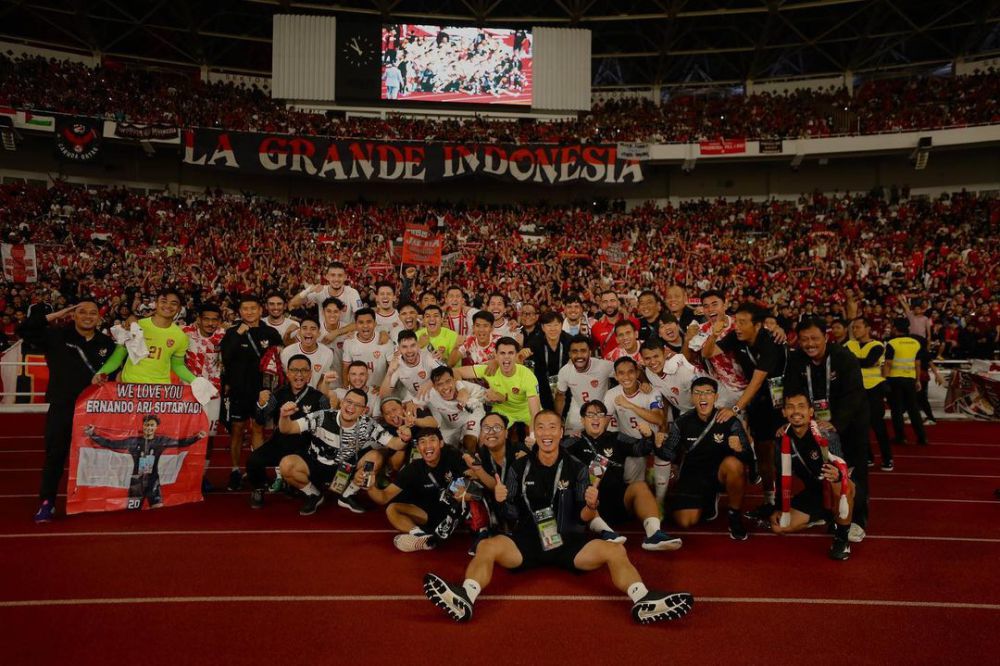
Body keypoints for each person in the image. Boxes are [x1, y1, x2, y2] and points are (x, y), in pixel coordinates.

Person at [422, 411, 694, 625]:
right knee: (487, 546)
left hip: (569, 541)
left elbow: (584, 517)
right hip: (528, 541)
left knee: (615, 550)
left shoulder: (577, 467)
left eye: (552, 427)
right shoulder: (518, 467)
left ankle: (642, 599)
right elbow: (511, 515)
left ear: (561, 432)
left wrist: (591, 504)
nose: (546, 433)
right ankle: (465, 597)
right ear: (534, 432)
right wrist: (503, 500)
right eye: (541, 427)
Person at [18, 301, 115, 522]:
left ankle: (93, 498)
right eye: (82, 312)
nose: (88, 316)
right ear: (73, 315)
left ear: (99, 318)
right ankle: (47, 502)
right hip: (63, 406)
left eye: (93, 313)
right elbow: (24, 330)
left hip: (95, 410)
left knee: (96, 454)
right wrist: (59, 314)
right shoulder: (56, 336)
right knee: (56, 455)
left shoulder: (106, 343)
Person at [783, 318, 869, 543]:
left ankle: (857, 519)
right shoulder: (796, 359)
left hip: (849, 424)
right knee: (821, 469)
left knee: (852, 473)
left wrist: (837, 423)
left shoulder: (843, 358)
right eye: (804, 340)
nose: (809, 344)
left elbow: (854, 394)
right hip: (814, 425)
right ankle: (824, 512)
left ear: (826, 337)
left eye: (814, 338)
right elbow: (791, 390)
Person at [563, 400, 681, 550]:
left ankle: (654, 534)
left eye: (600, 414)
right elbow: (553, 453)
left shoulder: (616, 437)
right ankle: (605, 532)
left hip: (617, 499)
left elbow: (641, 449)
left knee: (639, 486)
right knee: (583, 493)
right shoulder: (573, 441)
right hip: (588, 503)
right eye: (591, 415)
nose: (596, 418)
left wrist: (647, 435)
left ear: (606, 419)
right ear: (582, 420)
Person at [276, 388, 412, 515]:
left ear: (364, 410)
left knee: (375, 457)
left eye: (357, 405)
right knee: (286, 464)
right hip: (316, 465)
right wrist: (284, 416)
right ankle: (314, 494)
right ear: (342, 402)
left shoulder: (368, 424)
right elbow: (287, 429)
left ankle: (347, 495)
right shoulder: (322, 416)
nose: (351, 407)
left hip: (345, 470)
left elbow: (395, 443)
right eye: (349, 402)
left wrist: (404, 438)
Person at [708, 302, 786, 523]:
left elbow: (757, 380)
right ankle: (769, 501)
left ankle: (784, 504)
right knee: (763, 452)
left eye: (743, 322)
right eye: (737, 321)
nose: (738, 326)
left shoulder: (771, 341)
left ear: (758, 325)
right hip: (758, 402)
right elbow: (709, 352)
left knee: (782, 453)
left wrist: (735, 409)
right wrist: (713, 336)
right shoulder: (736, 336)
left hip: (781, 401)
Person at [365, 427, 494, 552]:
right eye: (422, 442)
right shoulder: (413, 469)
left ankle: (481, 534)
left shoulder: (452, 455)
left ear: (441, 443)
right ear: (418, 447)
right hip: (430, 515)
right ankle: (423, 538)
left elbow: (474, 475)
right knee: (392, 509)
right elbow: (384, 497)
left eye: (432, 440)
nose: (427, 445)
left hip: (458, 507)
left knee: (473, 489)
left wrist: (464, 487)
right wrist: (370, 486)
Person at [659, 377, 751, 540]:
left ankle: (734, 515)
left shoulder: (730, 420)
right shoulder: (682, 422)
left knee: (734, 465)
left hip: (719, 473)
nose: (703, 397)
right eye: (698, 393)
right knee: (685, 521)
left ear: (715, 397)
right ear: (692, 397)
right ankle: (708, 501)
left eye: (708, 393)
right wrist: (657, 443)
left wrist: (739, 449)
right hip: (693, 475)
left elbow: (748, 458)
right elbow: (669, 455)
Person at [770, 393, 855, 561]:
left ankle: (841, 538)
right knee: (779, 527)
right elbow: (781, 476)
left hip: (838, 489)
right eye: (790, 407)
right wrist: (780, 507)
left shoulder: (825, 434)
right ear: (784, 413)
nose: (796, 411)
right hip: (815, 492)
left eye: (801, 406)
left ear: (810, 412)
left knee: (839, 484)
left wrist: (837, 475)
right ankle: (821, 516)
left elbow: (843, 469)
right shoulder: (782, 439)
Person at [220, 295, 284, 491]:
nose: (249, 312)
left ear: (260, 309)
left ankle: (257, 471)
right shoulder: (232, 332)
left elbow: (278, 362)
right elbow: (226, 356)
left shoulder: (270, 332)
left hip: (261, 392)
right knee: (237, 430)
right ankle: (235, 471)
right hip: (238, 390)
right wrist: (238, 334)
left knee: (258, 429)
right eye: (245, 308)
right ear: (239, 312)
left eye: (253, 308)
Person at [246, 354, 329, 508]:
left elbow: (327, 426)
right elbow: (261, 419)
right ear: (288, 373)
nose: (299, 375)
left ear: (310, 374)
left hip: (306, 446)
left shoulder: (320, 398)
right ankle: (259, 487)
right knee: (253, 460)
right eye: (295, 370)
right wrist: (261, 404)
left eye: (304, 370)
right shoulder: (278, 394)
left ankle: (304, 487)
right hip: (280, 442)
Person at [83, 416, 206, 510]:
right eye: (147, 425)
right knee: (133, 512)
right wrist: (92, 434)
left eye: (152, 425)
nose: (149, 428)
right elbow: (111, 444)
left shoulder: (161, 441)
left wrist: (197, 437)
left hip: (153, 481)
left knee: (158, 510)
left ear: (156, 427)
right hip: (137, 482)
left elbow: (181, 443)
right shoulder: (134, 441)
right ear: (143, 426)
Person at [95, 288, 198, 386]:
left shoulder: (181, 336)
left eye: (174, 303)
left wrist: (195, 380)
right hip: (130, 388)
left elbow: (178, 366)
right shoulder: (135, 326)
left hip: (160, 391)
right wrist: (102, 372)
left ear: (179, 309)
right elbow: (117, 357)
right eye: (164, 301)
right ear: (156, 304)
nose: (168, 306)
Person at [454, 337, 540, 440]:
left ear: (516, 355)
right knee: (486, 437)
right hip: (502, 410)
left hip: (526, 410)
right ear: (496, 355)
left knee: (540, 435)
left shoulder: (528, 376)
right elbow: (455, 372)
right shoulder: (489, 369)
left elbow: (534, 412)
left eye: (511, 353)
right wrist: (461, 389)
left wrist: (532, 436)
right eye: (502, 353)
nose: (506, 357)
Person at [182, 303, 225, 492]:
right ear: (198, 319)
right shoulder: (184, 332)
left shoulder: (224, 335)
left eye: (214, 319)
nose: (210, 323)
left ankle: (202, 476)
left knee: (209, 437)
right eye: (206, 318)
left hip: (213, 394)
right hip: (188, 392)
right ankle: (183, 475)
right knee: (185, 435)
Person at [602, 357, 665, 484]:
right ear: (616, 376)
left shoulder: (652, 391)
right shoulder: (611, 394)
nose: (626, 377)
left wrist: (629, 405)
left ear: (637, 373)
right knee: (632, 484)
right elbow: (604, 424)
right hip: (633, 446)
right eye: (621, 373)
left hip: (655, 444)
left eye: (630, 372)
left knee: (658, 484)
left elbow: (658, 419)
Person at [846, 316, 893, 470]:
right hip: (856, 389)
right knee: (859, 426)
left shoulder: (878, 345)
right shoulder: (849, 344)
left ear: (867, 329)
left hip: (874, 389)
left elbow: (867, 362)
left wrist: (851, 360)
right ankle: (868, 457)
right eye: (853, 327)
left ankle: (887, 458)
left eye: (858, 327)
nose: (855, 330)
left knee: (878, 425)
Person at [411, 366, 486, 451]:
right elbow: (412, 404)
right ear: (434, 387)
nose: (446, 387)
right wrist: (410, 414)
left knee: (469, 442)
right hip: (449, 426)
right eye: (440, 384)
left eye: (448, 381)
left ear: (454, 380)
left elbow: (488, 396)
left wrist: (470, 401)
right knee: (444, 450)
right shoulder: (430, 394)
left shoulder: (467, 387)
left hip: (470, 417)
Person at [555, 335, 614, 435]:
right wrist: (558, 419)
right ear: (569, 354)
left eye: (583, 351)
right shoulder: (565, 371)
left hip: (602, 413)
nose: (579, 355)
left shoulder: (604, 366)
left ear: (590, 352)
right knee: (570, 443)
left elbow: (628, 369)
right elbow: (560, 396)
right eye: (574, 351)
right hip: (578, 411)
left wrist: (643, 382)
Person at [885, 317, 928, 447]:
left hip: (895, 379)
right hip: (910, 379)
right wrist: (917, 380)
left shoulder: (892, 343)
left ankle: (900, 437)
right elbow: (918, 364)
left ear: (895, 328)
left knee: (897, 410)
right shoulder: (915, 343)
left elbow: (888, 363)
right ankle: (922, 437)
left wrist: (884, 381)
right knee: (913, 409)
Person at [291, 262, 364, 328]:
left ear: (345, 277)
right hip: (324, 337)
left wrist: (336, 333)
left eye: (340, 275)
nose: (336, 279)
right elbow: (293, 303)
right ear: (327, 277)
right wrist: (308, 290)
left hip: (345, 337)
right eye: (333, 275)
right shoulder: (320, 291)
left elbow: (361, 319)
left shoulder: (352, 293)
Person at [525, 311, 571, 411]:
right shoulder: (534, 343)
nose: (553, 329)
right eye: (549, 325)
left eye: (556, 325)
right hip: (543, 386)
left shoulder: (569, 341)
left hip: (566, 385)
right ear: (542, 327)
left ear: (561, 325)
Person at [381, 329, 444, 401]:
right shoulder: (396, 364)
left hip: (438, 397)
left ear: (417, 345)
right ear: (399, 349)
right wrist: (389, 373)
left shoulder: (428, 355)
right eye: (404, 347)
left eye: (413, 345)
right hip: (418, 401)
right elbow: (383, 396)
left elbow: (448, 374)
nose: (409, 351)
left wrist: (431, 382)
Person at [341, 308, 392, 390]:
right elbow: (345, 369)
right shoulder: (348, 342)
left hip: (378, 391)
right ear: (356, 325)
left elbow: (393, 369)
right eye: (361, 322)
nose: (365, 326)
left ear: (375, 324)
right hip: (357, 390)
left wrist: (384, 387)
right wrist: (347, 389)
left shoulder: (385, 341)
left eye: (369, 322)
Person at [280, 316, 335, 389]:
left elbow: (321, 381)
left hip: (314, 395)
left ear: (319, 333)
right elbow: (285, 379)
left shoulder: (327, 353)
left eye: (313, 329)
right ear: (299, 332)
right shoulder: (287, 352)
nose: (308, 332)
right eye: (304, 328)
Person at [591, 290, 638, 358]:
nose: (609, 305)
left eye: (612, 300)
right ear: (600, 305)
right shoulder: (596, 327)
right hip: (608, 366)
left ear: (618, 302)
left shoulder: (633, 321)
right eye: (605, 302)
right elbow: (593, 350)